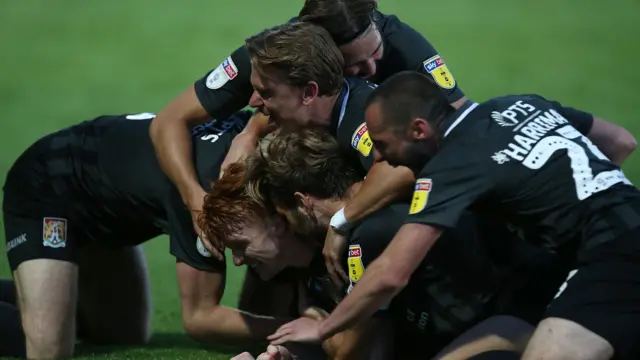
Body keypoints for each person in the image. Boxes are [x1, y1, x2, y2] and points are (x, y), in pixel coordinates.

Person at [268, 71, 639, 360]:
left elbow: (393, 271)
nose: (379, 160)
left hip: (610, 257)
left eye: (382, 145)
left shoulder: (451, 166)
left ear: (419, 129)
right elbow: (620, 141)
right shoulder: (520, 104)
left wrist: (324, 328)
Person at [149, 0, 466, 268]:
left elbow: (457, 135)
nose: (371, 69)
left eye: (376, 51)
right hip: (348, 139)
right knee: (277, 175)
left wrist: (345, 216)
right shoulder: (273, 58)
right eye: (351, 64)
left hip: (395, 158)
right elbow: (168, 121)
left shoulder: (404, 49)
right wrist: (196, 196)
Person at [201, 130, 559, 359]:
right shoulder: (329, 246)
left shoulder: (369, 234)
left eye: (241, 245)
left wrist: (314, 320)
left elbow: (351, 352)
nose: (236, 261)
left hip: (526, 319)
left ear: (302, 202)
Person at [2, 110, 292, 358]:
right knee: (48, 348)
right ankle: (45, 301)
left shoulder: (259, 155)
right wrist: (296, 327)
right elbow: (200, 318)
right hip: (49, 185)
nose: (239, 260)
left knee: (123, 333)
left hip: (107, 214)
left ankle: (48, 296)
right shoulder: (206, 193)